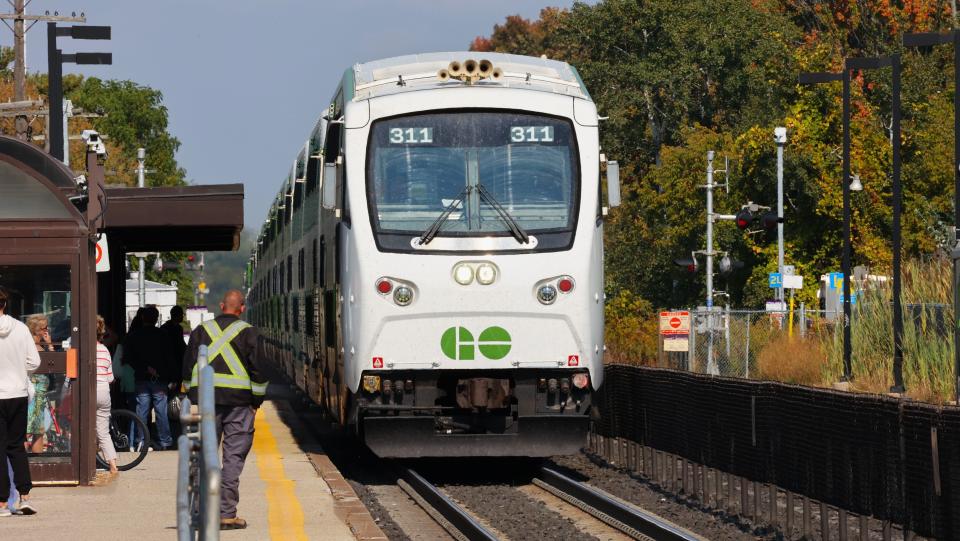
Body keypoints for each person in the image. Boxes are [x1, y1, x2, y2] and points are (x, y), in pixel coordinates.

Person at [183, 290, 267, 530]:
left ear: (221, 305)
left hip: (207, 403)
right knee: (232, 458)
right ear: (242, 308)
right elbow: (258, 372)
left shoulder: (201, 331)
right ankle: (226, 514)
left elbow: (188, 366)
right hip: (240, 405)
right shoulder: (249, 332)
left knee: (205, 456)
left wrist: (192, 395)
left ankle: (201, 512)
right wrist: (256, 402)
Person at [0, 286, 40, 516]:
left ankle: (2, 503)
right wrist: (18, 370)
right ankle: (25, 496)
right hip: (18, 393)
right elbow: (34, 362)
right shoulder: (21, 328)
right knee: (16, 446)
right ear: (5, 304)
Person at [122, 306, 174, 450]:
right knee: (161, 411)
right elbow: (170, 357)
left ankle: (141, 440)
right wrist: (170, 376)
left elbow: (127, 358)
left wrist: (144, 368)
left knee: (142, 411)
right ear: (156, 318)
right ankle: (165, 441)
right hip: (160, 378)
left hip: (141, 378)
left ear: (142, 318)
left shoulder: (134, 336)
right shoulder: (163, 335)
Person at [24, 315, 51, 455]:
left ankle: (31, 462)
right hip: (34, 394)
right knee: (33, 431)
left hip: (38, 394)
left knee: (35, 431)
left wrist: (49, 344)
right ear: (37, 330)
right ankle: (33, 462)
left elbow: (53, 363)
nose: (47, 329)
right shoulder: (32, 346)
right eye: (45, 327)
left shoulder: (40, 345)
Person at [94, 316, 117, 475]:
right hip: (104, 391)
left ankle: (89, 462)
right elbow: (110, 378)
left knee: (83, 428)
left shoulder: (82, 349)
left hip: (89, 390)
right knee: (103, 431)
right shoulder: (104, 350)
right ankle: (113, 466)